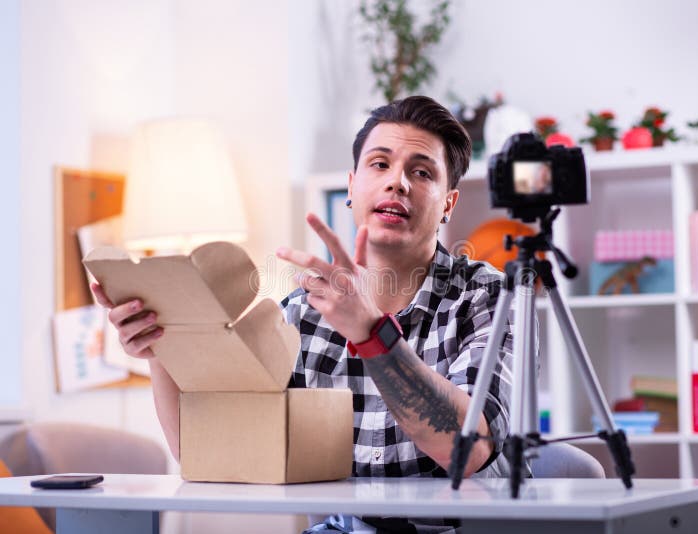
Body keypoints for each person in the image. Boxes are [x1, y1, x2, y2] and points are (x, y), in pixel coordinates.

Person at [92, 95, 519, 534]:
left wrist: (372, 334)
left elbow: (468, 450)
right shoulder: (301, 313)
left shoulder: (489, 296)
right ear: (352, 187)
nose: (398, 183)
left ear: (448, 203)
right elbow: (212, 451)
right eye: (379, 164)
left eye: (421, 171)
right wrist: (161, 347)